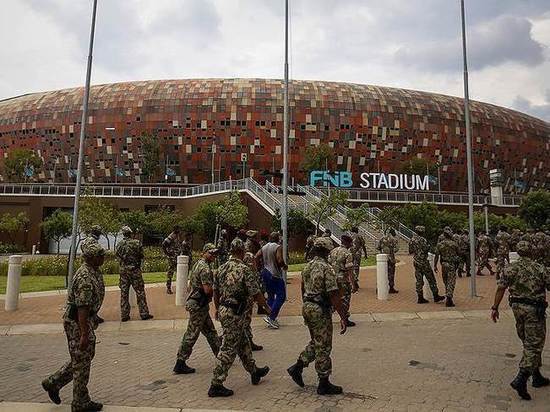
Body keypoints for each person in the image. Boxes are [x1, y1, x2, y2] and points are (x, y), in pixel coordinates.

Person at [41, 241, 105, 412]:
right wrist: (84, 333)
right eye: (100, 255)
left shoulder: (93, 271)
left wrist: (94, 318)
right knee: (82, 359)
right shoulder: (85, 277)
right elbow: (81, 307)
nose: (103, 258)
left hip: (84, 320)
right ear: (91, 258)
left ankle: (53, 382)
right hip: (77, 322)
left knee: (83, 358)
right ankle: (80, 402)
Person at [209, 238, 271, 398]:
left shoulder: (221, 268)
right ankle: (216, 383)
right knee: (228, 348)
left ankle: (254, 371)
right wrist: (267, 308)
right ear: (242, 252)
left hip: (225, 309)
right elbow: (256, 293)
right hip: (235, 313)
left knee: (243, 342)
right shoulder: (244, 269)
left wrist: (216, 309)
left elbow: (215, 292)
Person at [287, 236, 348, 395]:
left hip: (308, 306)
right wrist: (343, 316)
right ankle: (323, 382)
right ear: (326, 251)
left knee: (317, 341)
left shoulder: (307, 267)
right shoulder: (326, 268)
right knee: (324, 345)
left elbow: (302, 289)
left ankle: (297, 367)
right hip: (320, 309)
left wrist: (306, 307)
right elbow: (333, 294)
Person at [491, 241, 550, 401]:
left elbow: (500, 288)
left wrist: (495, 308)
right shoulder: (539, 268)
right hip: (534, 311)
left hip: (517, 309)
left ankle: (536, 376)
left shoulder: (510, 268)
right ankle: (521, 378)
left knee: (527, 341)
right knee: (535, 344)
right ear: (532, 251)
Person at [174, 243, 221, 375]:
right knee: (192, 334)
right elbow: (207, 290)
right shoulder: (205, 268)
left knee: (211, 331)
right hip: (198, 305)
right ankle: (180, 362)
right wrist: (216, 291)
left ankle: (222, 355)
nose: (213, 256)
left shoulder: (197, 264)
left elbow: (190, 285)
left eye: (215, 253)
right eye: (211, 253)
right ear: (204, 252)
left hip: (199, 304)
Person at [115, 226, 153, 322]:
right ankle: (144, 313)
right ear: (130, 233)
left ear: (123, 234)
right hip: (135, 270)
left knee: (124, 293)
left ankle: (124, 315)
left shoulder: (119, 244)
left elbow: (117, 256)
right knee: (140, 292)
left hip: (123, 271)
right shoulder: (136, 243)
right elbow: (141, 255)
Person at [256, 231, 288, 329]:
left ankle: (269, 315)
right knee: (281, 296)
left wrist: (259, 267)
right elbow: (279, 259)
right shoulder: (277, 247)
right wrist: (284, 266)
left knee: (270, 296)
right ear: (277, 238)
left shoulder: (264, 247)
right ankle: (272, 316)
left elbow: (257, 256)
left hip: (265, 272)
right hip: (275, 274)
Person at [408, 226, 445, 304]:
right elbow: (426, 249)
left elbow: (410, 251)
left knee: (419, 280)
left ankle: (420, 297)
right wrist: (428, 246)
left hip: (416, 261)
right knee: (431, 279)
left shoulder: (411, 240)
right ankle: (436, 296)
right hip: (423, 261)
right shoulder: (422, 239)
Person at [329, 233, 357, 326]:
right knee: (345, 300)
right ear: (347, 243)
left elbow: (328, 265)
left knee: (333, 299)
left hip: (333, 280)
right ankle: (344, 320)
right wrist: (354, 284)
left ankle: (326, 316)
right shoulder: (347, 253)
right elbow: (350, 271)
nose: (351, 245)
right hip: (343, 281)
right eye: (351, 243)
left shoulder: (333, 251)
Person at [243, 230, 264, 351]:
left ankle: (248, 340)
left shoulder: (252, 246)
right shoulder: (248, 250)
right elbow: (250, 271)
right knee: (245, 317)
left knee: (245, 318)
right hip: (248, 288)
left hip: (248, 286)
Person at [81, 225, 106, 324]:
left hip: (88, 266)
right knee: (98, 291)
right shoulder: (92, 242)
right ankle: (93, 314)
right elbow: (97, 253)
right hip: (92, 268)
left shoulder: (84, 241)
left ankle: (93, 314)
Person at [434, 227, 459, 307]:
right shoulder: (454, 244)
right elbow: (459, 254)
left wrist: (435, 265)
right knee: (451, 281)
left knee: (446, 281)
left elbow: (436, 256)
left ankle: (448, 294)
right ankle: (449, 298)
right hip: (452, 264)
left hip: (444, 264)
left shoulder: (440, 244)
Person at [377, 228, 399, 293]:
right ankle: (391, 288)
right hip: (391, 259)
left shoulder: (381, 239)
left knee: (382, 273)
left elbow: (378, 247)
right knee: (391, 273)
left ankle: (379, 287)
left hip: (383, 258)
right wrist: (391, 252)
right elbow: (397, 249)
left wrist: (383, 251)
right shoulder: (394, 240)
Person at [162, 225, 182, 294]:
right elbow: (164, 244)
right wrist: (167, 253)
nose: (180, 230)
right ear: (175, 229)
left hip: (177, 257)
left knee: (180, 272)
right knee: (170, 272)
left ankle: (180, 287)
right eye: (179, 229)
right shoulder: (171, 236)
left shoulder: (177, 236)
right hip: (172, 257)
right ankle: (168, 288)